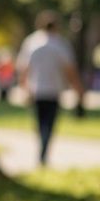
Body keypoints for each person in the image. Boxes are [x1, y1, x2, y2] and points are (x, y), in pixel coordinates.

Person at [16, 10, 83, 165]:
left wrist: (23, 87)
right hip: (53, 90)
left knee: (40, 123)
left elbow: (23, 69)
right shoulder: (60, 44)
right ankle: (43, 153)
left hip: (36, 90)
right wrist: (78, 89)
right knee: (49, 124)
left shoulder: (31, 42)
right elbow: (70, 70)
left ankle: (42, 151)